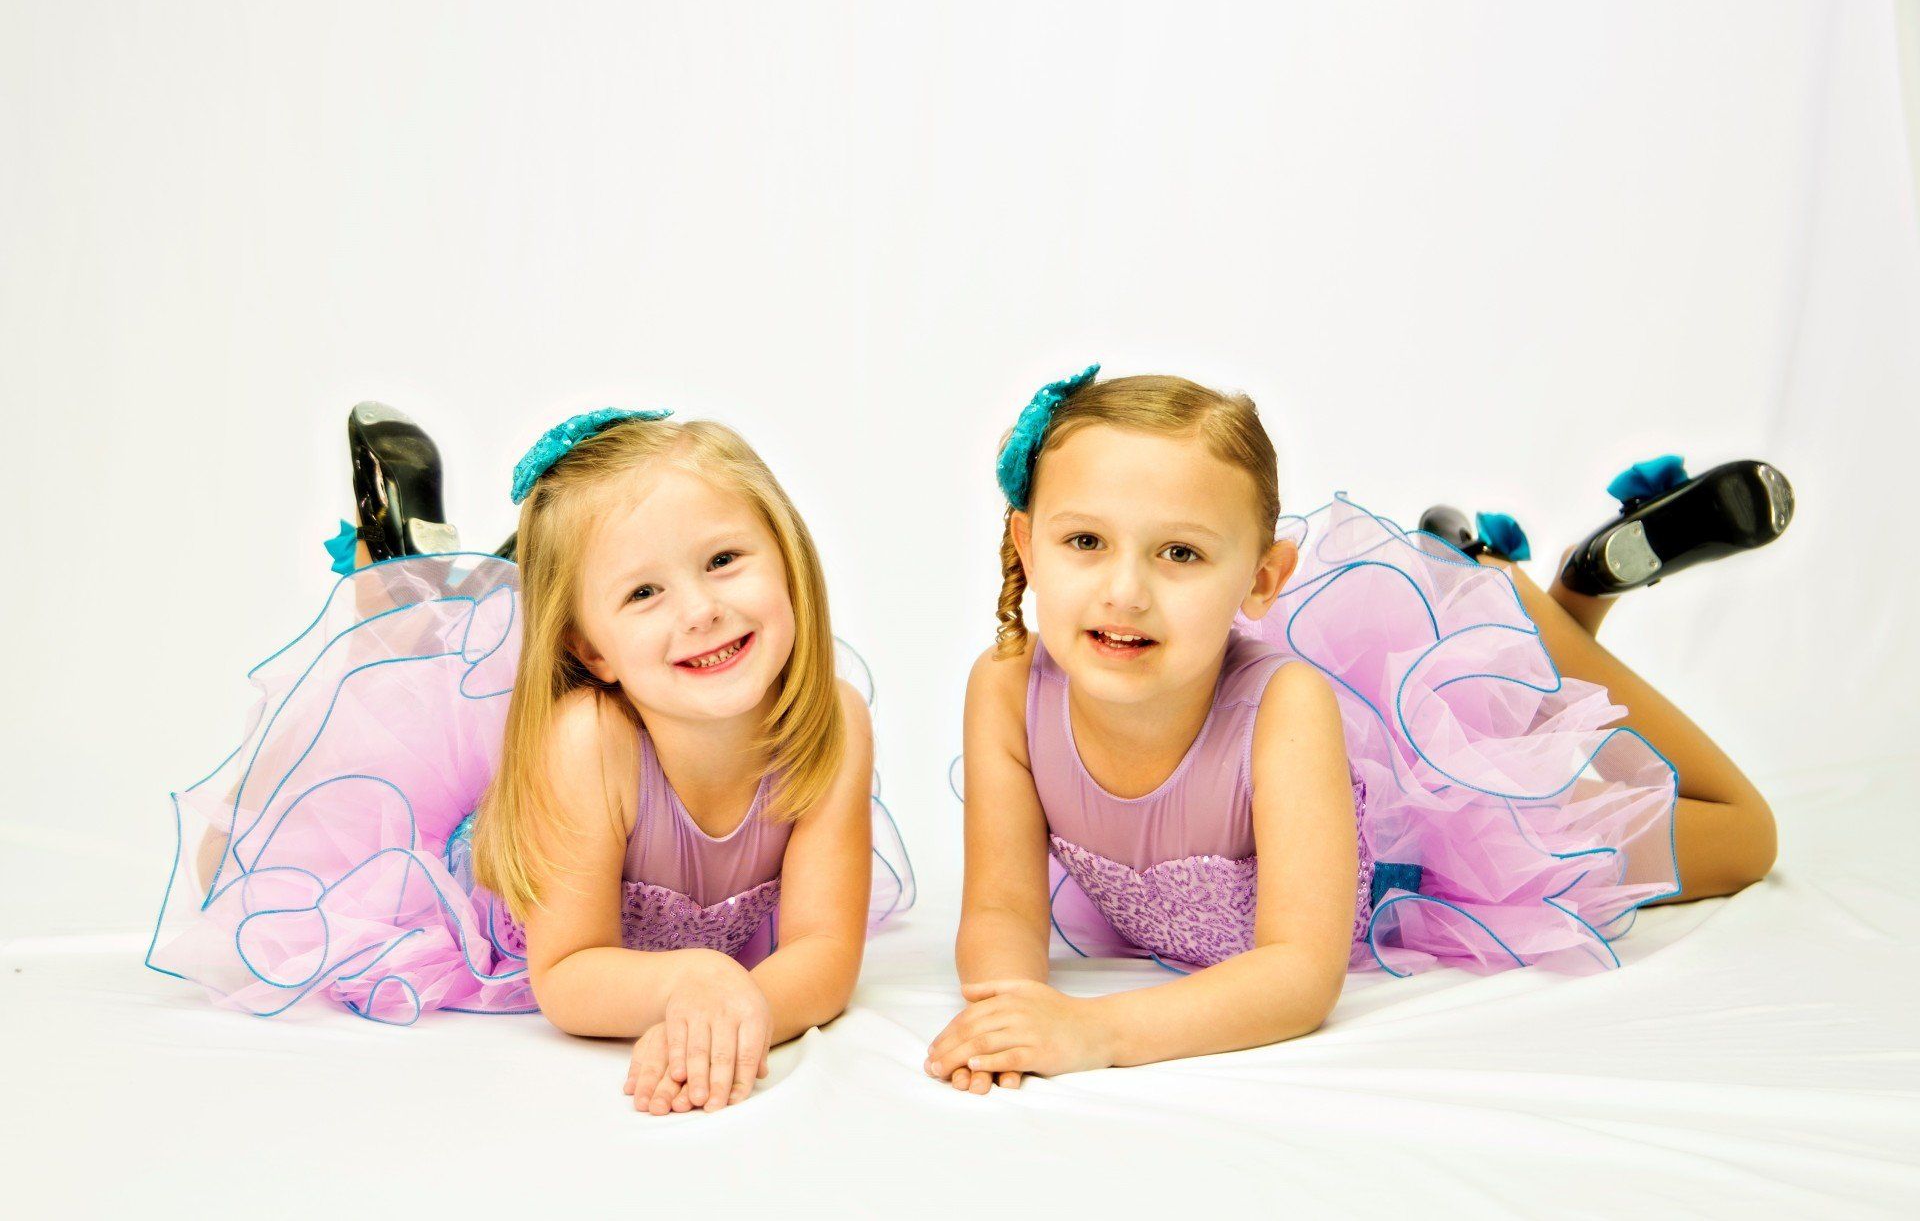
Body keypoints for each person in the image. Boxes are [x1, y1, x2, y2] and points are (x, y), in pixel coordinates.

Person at [929, 367, 1784, 1093]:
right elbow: (1002, 904)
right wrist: (1009, 1013)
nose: (1126, 591)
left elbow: (1300, 975)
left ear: (1262, 580)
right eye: (1085, 539)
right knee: (1529, 719)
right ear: (1027, 544)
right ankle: (1515, 620)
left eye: (1179, 553)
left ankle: (1542, 610)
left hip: (1443, 844)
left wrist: (1093, 1033)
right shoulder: (1007, 687)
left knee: (1743, 835)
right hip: (1382, 752)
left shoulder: (1284, 704)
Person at [149, 406, 913, 1117]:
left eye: (723, 559)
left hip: (594, 681)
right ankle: (399, 601)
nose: (700, 609)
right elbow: (570, 975)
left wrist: (727, 1014)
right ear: (589, 652)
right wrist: (692, 979)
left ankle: (511, 591)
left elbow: (824, 953)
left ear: (786, 556)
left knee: (555, 617)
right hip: (468, 876)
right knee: (247, 851)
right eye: (646, 590)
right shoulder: (587, 740)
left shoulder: (833, 720)